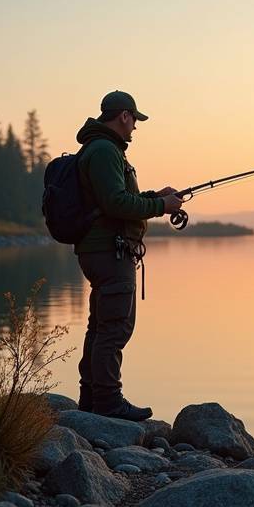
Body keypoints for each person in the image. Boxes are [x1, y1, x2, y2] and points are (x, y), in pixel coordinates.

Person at [73, 90, 184, 421]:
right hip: (110, 251)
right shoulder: (105, 150)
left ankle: (91, 400)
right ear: (124, 116)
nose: (135, 128)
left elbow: (115, 198)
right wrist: (160, 207)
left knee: (101, 325)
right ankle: (108, 401)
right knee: (115, 327)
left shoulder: (98, 148)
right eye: (134, 120)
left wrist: (155, 196)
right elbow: (115, 204)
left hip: (101, 249)